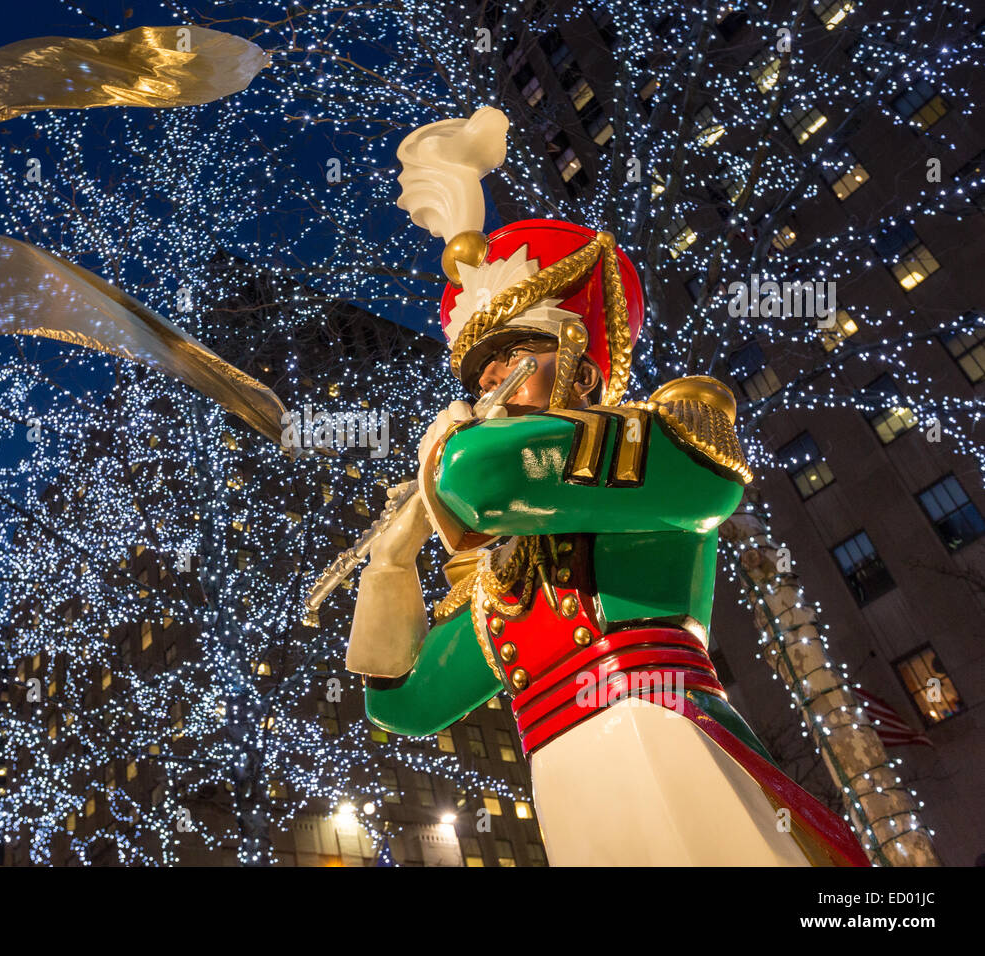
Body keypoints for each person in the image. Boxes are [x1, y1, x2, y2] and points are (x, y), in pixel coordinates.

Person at [344, 117, 871, 865]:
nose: (490, 394)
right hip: (565, 786)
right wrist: (392, 563)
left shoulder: (662, 440)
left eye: (511, 370)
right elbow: (402, 704)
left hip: (670, 735)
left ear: (580, 370)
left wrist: (443, 464)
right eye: (480, 383)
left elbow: (484, 478)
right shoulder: (503, 579)